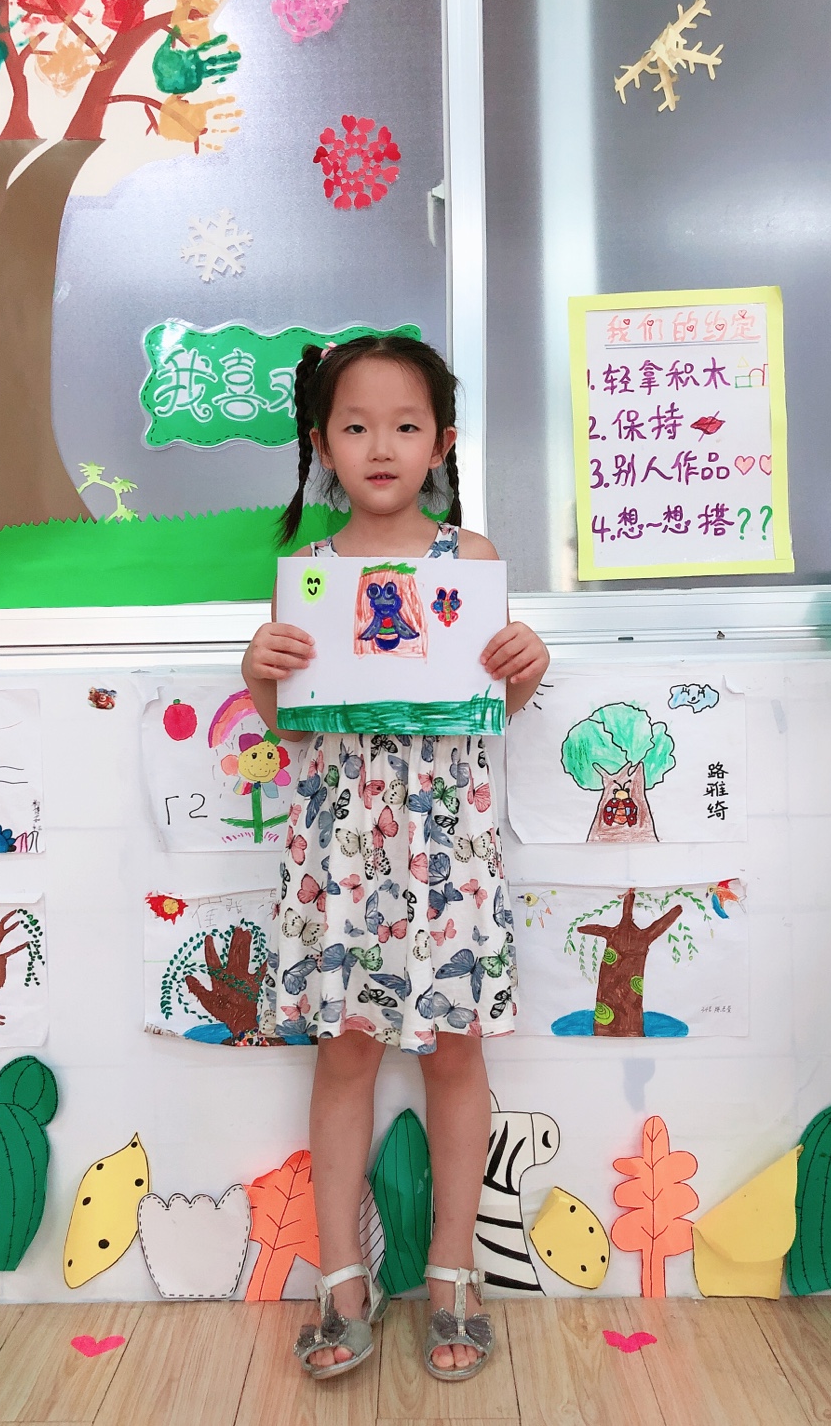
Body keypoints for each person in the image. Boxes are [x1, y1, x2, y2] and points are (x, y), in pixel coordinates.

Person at [242, 335, 549, 1383]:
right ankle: (342, 1277)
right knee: (346, 1053)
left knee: (455, 1052)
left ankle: (456, 1270)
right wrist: (259, 668)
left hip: (447, 845)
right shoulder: (309, 577)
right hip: (339, 851)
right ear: (322, 443)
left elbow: (489, 703)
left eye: (406, 426)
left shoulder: (471, 561)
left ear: (442, 443)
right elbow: (287, 721)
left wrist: (524, 665)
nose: (382, 446)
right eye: (357, 426)